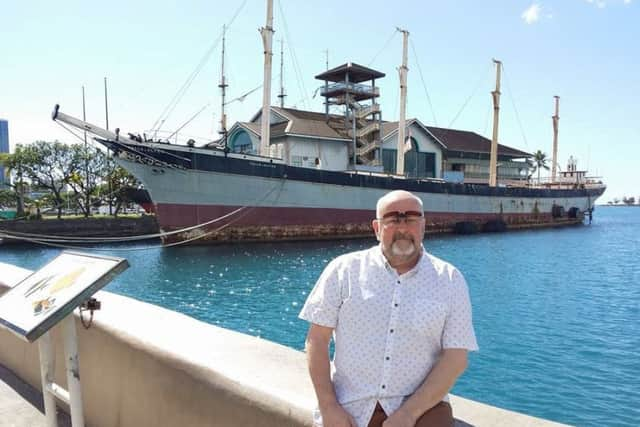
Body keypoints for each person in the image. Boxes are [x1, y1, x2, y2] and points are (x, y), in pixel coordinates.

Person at [299, 190, 478, 427]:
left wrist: (409, 413)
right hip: (350, 405)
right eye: (393, 219)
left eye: (412, 219)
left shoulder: (450, 280)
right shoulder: (343, 271)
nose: (403, 228)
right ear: (376, 228)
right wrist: (328, 406)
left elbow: (456, 357)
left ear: (423, 226)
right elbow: (317, 340)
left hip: (423, 409)